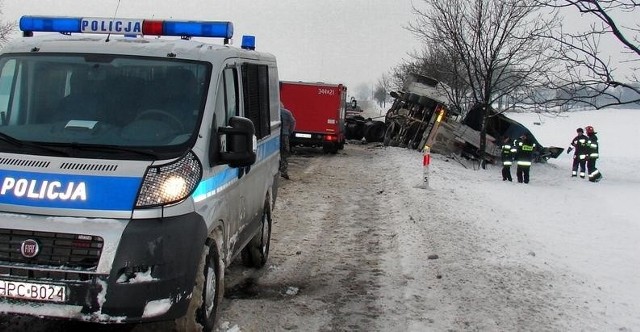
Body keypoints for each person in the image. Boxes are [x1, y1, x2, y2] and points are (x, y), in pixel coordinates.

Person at [279, 102, 296, 179]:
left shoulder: (273, 113)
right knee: (284, 153)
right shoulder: (287, 112)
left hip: (274, 135)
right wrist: (290, 131)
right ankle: (283, 171)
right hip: (284, 135)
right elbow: (293, 122)